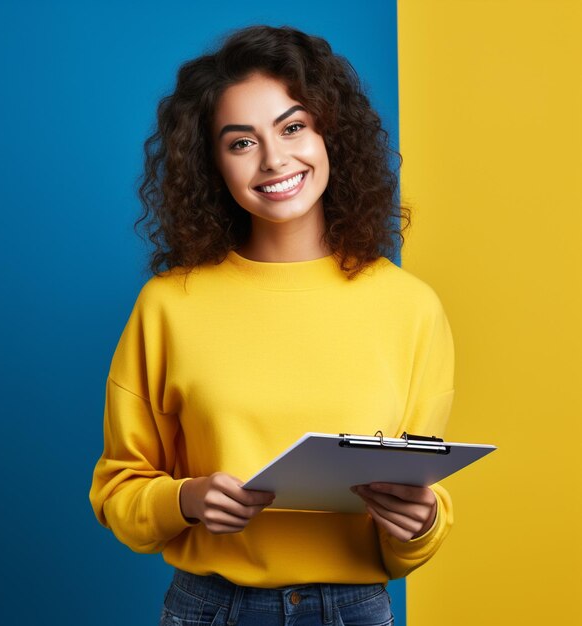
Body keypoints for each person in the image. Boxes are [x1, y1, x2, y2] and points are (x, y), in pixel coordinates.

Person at [90, 25, 454, 626]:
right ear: (213, 165)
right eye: (241, 142)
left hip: (355, 608)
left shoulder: (410, 307)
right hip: (211, 606)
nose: (274, 159)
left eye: (293, 127)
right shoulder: (168, 306)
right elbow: (117, 490)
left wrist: (422, 523)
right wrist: (185, 499)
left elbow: (418, 494)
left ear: (330, 133)